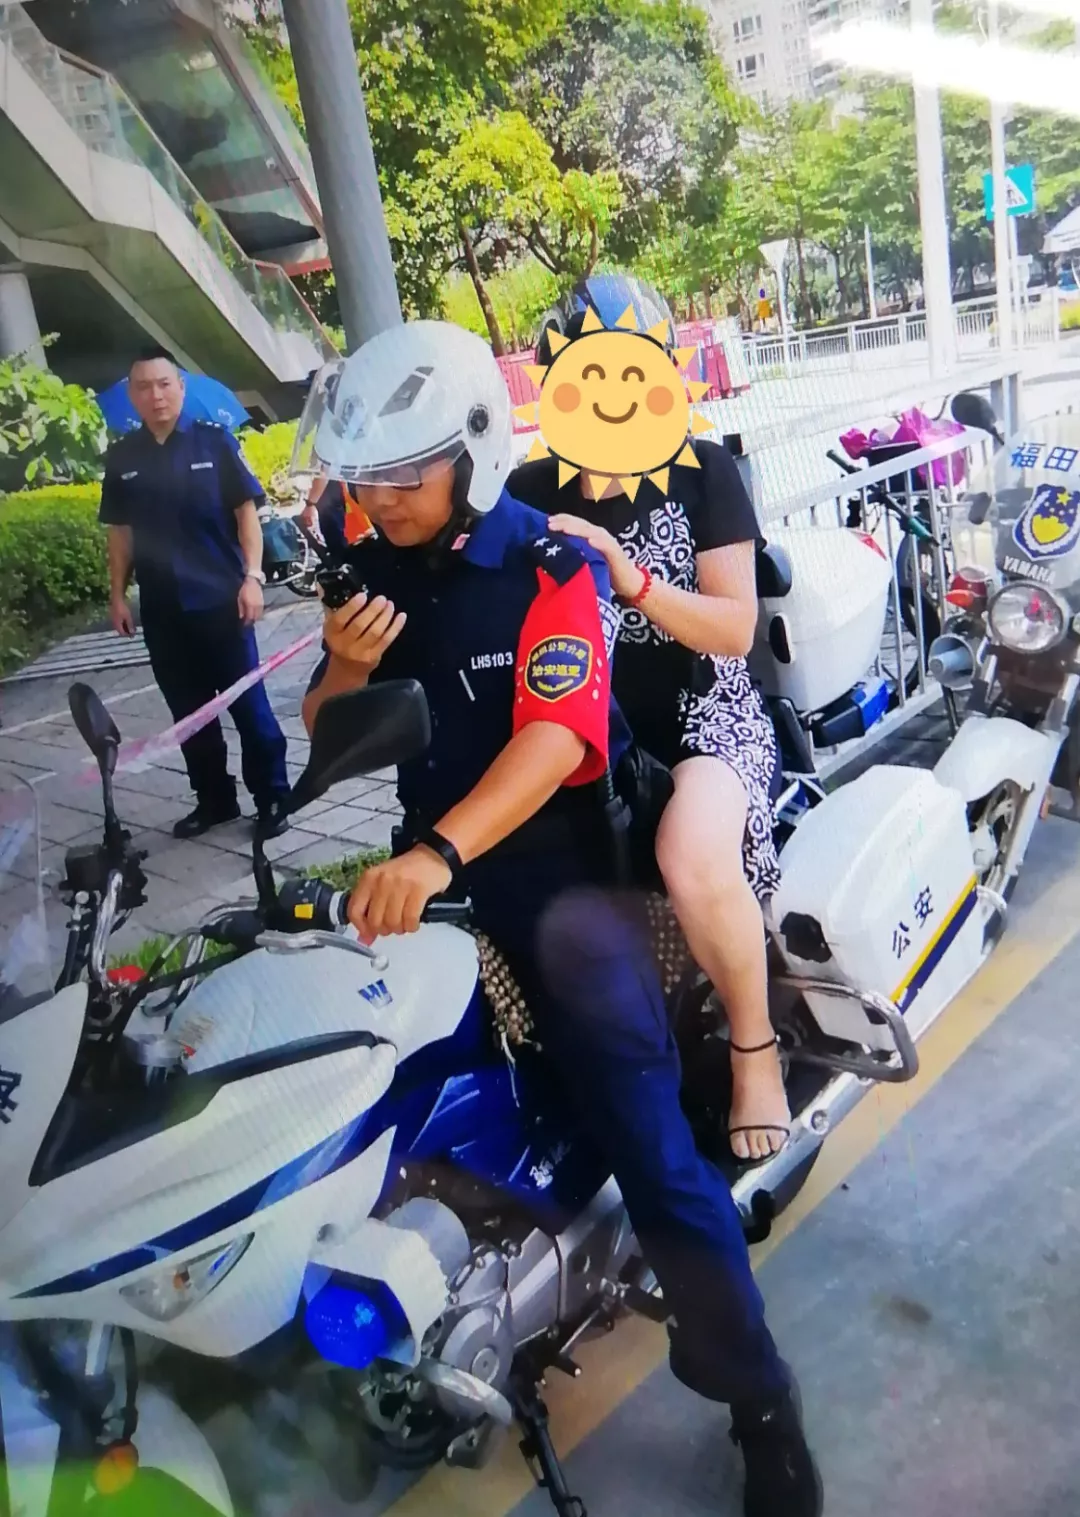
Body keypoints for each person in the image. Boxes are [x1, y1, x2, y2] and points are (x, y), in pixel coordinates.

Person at [297, 319, 822, 1517]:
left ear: (472, 451)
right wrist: (341, 666)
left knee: (654, 1150)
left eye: (404, 473)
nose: (379, 500)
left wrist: (436, 851)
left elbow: (555, 737)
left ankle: (761, 1396)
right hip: (431, 879)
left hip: (559, 884)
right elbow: (331, 735)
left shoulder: (551, 567)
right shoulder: (370, 574)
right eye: (364, 479)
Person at [509, 298, 789, 1165]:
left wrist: (630, 579)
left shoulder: (705, 470)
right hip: (586, 725)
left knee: (688, 853)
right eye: (586, 369)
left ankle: (755, 1049)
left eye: (630, 366)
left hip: (709, 715)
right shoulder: (528, 489)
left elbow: (734, 629)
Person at [100, 347, 289, 839]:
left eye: (165, 384)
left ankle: (272, 797)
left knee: (249, 707)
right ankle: (215, 800)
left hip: (223, 602)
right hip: (163, 609)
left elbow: (246, 514)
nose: (156, 395)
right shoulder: (123, 458)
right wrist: (117, 595)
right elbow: (120, 532)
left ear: (180, 388)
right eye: (144, 387)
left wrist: (253, 577)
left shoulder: (215, 443)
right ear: (132, 395)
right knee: (189, 715)